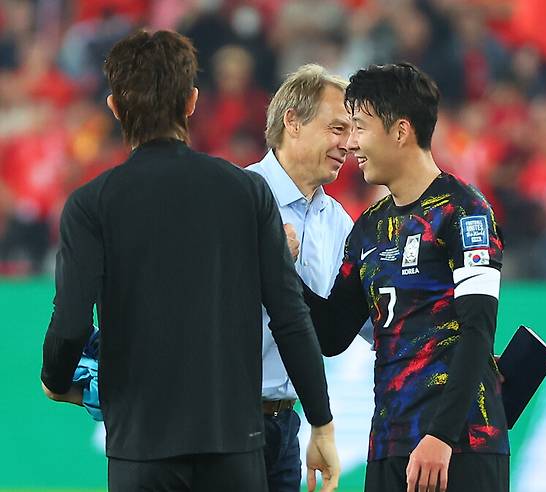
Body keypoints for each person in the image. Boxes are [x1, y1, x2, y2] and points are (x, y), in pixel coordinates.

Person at [40, 29, 339, 492]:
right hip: (234, 444)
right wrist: (321, 423)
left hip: (142, 446)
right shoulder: (246, 192)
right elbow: (290, 315)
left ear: (115, 107)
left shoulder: (91, 205)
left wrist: (57, 378)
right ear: (192, 102)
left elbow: (71, 323)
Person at [302, 63, 510, 492]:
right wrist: (279, 265)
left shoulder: (465, 212)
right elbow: (330, 334)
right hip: (390, 446)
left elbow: (477, 330)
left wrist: (441, 436)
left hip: (460, 447)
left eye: (360, 127)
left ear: (400, 131)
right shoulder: (369, 228)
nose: (352, 143)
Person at [246, 63, 370, 492]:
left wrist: (445, 350)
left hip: (286, 424)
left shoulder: (336, 221)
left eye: (352, 131)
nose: (349, 144)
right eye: (337, 128)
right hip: (223, 422)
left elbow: (375, 317)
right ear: (292, 122)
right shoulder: (237, 197)